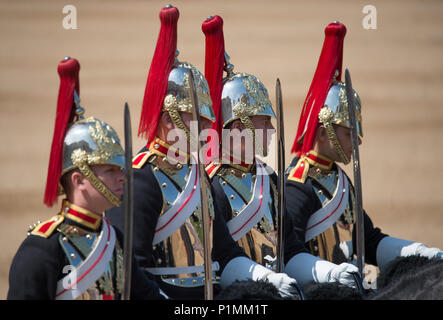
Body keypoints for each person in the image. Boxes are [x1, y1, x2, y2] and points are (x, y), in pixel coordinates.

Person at [106, 5, 298, 300]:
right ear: (169, 119)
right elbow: (132, 269)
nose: (210, 124)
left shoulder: (196, 173)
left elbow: (223, 251)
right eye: (198, 116)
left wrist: (265, 279)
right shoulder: (140, 179)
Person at [203, 16, 360, 293]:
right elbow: (218, 261)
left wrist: (330, 272)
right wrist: (266, 281)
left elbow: (290, 250)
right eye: (265, 121)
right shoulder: (213, 185)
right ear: (239, 126)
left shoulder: (270, 179)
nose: (272, 129)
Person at [284, 21, 443, 288]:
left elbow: (369, 242)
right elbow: (289, 257)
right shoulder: (298, 186)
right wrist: (331, 275)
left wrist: (418, 252)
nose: (357, 141)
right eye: (348, 133)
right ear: (323, 133)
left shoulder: (340, 181)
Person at [7, 57, 164, 300]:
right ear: (79, 180)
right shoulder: (42, 249)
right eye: (110, 171)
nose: (123, 178)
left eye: (121, 169)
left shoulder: (114, 239)